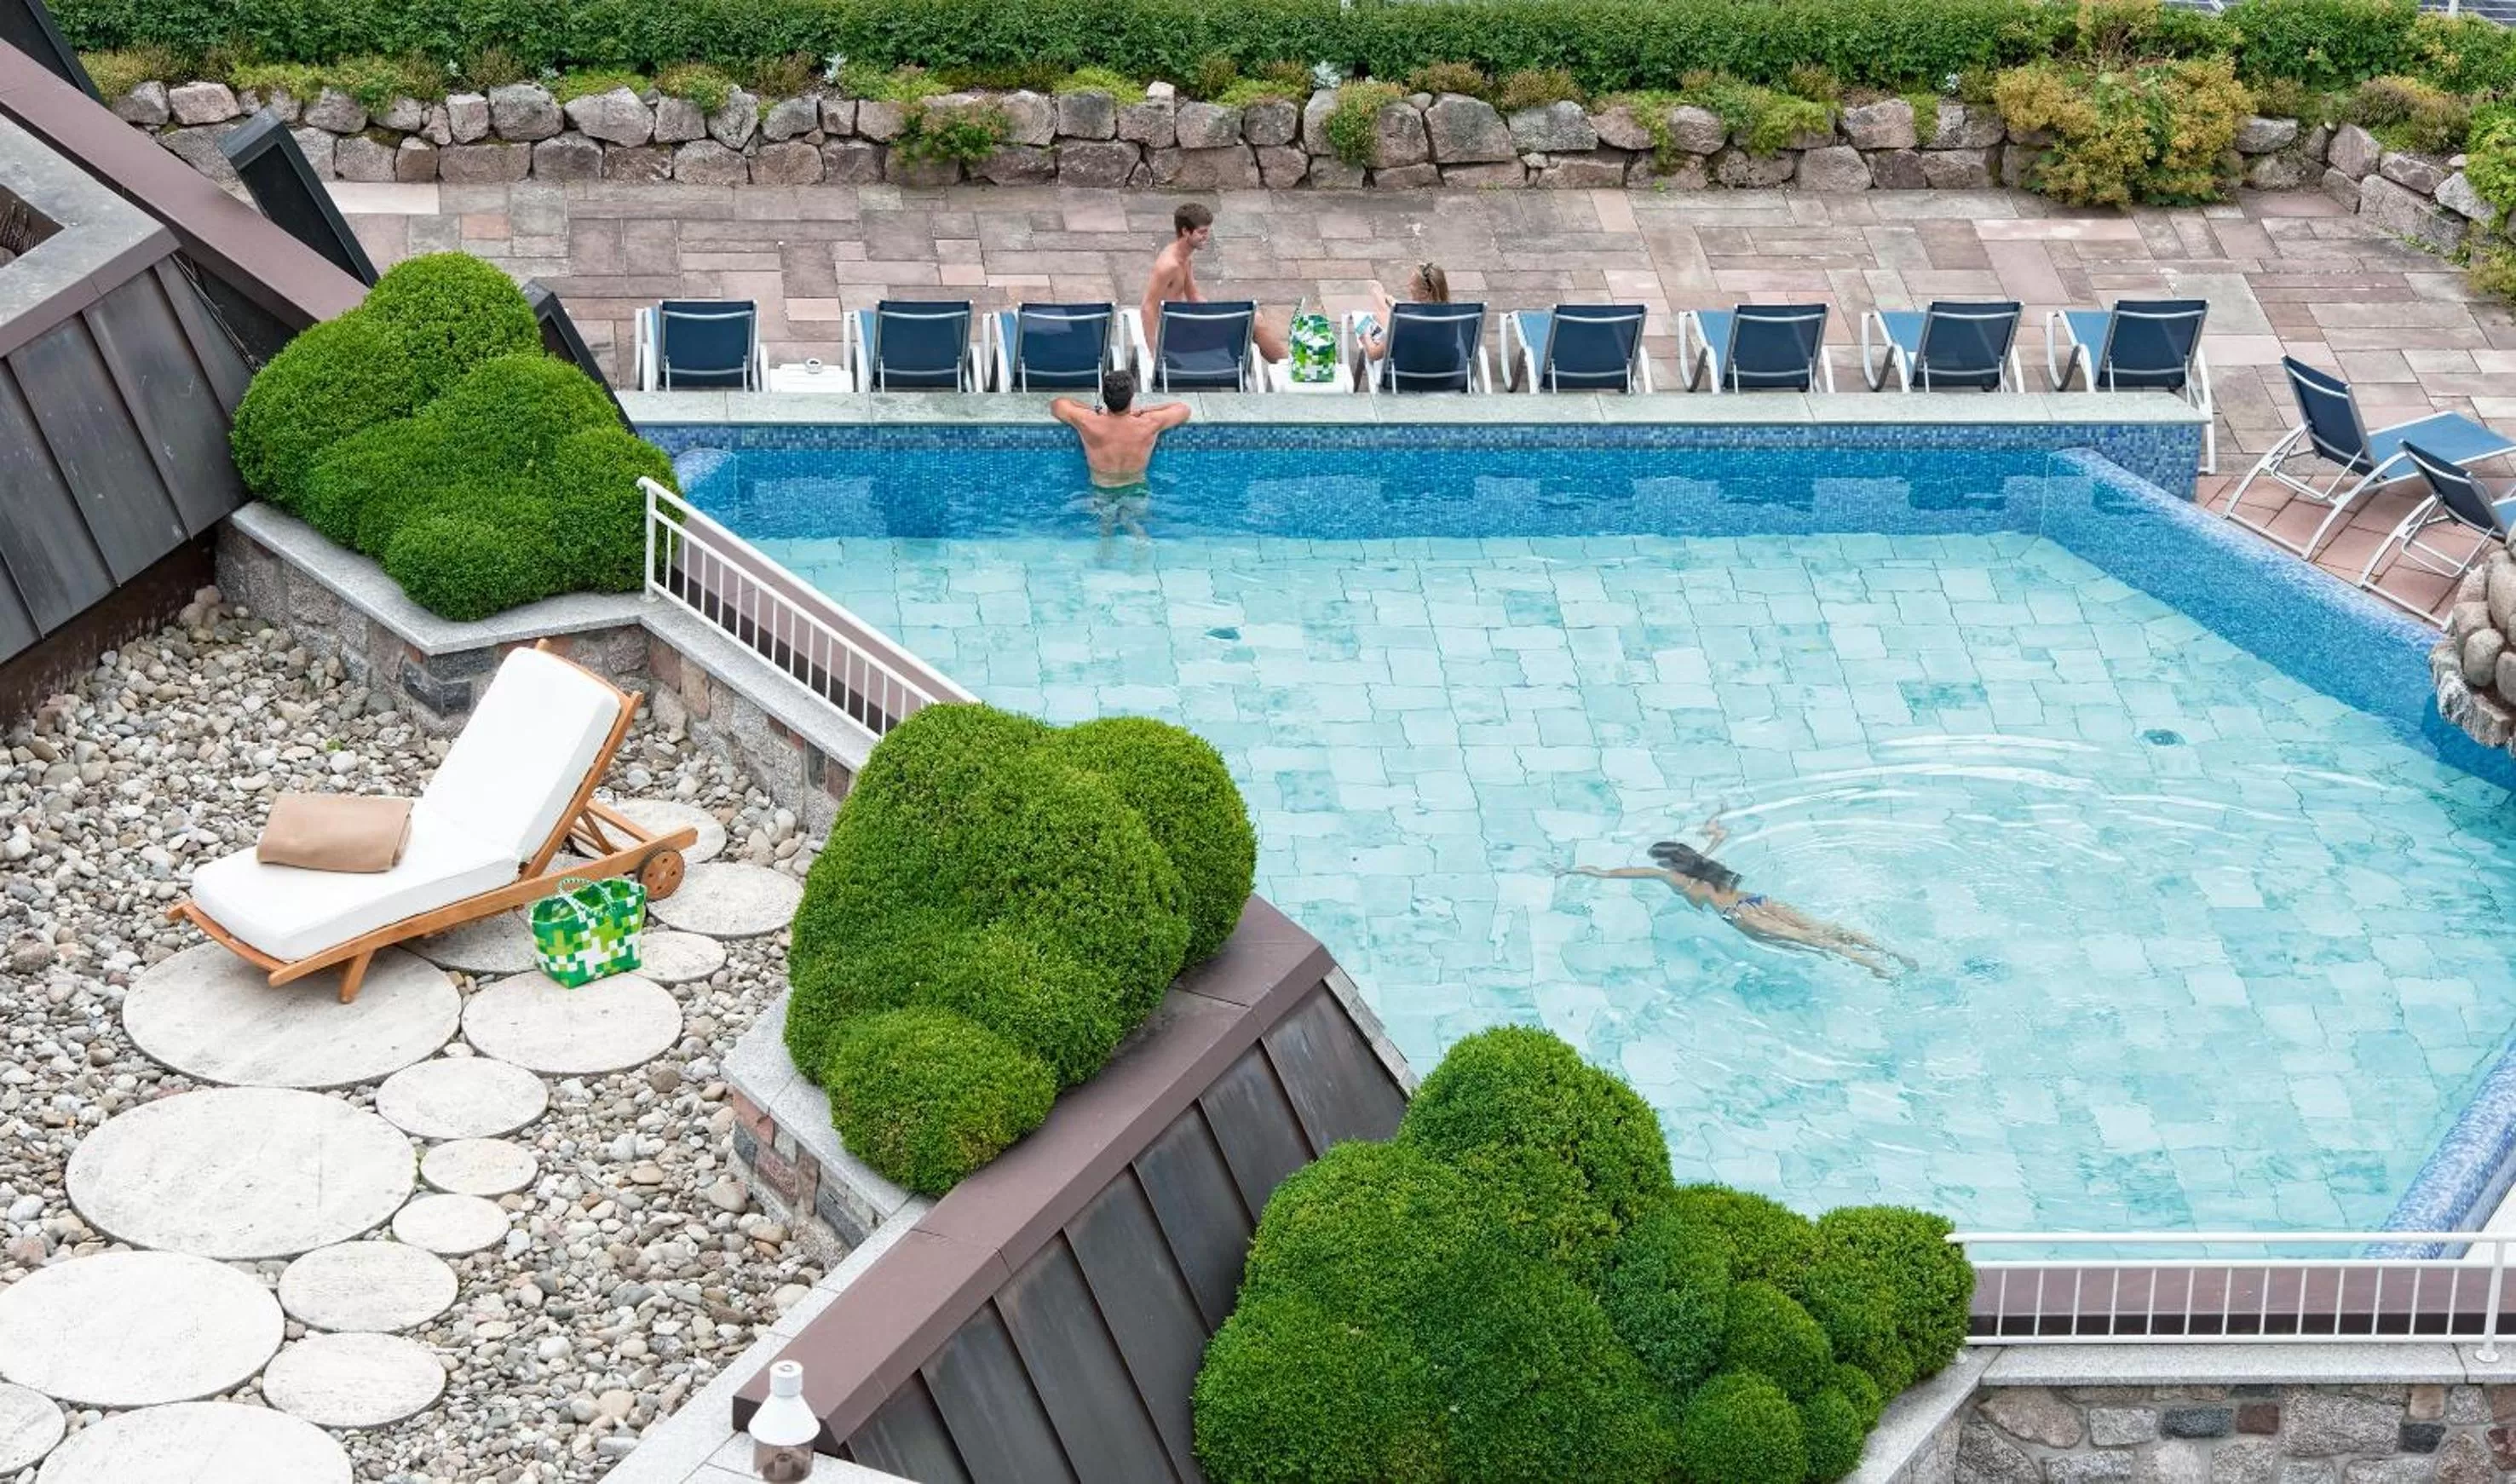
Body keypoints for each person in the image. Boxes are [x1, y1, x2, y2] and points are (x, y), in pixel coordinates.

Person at [1566, 814, 1915, 979]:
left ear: (1668, 862)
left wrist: (1587, 871)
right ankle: (1889, 951)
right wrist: (1712, 826)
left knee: (1815, 941)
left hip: (1742, 916)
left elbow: (1620, 873)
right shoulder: (1704, 861)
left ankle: (1875, 968)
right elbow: (1720, 834)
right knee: (1825, 927)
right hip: (1759, 900)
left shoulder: (1672, 879)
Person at [1143, 202, 1289, 371]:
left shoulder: (1184, 257)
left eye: (1207, 231)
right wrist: (1155, 353)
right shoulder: (1168, 265)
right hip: (1177, 337)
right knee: (1255, 321)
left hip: (1186, 325)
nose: (1207, 236)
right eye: (1202, 232)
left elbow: (1194, 296)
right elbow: (1147, 307)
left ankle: (1286, 366)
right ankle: (1287, 369)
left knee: (1252, 318)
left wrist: (1219, 314)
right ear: (1185, 231)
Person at [1051, 368, 1188, 538]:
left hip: (1101, 488)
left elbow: (1058, 404)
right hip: (1136, 490)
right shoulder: (1149, 423)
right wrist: (1146, 410)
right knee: (1129, 519)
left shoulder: (1088, 421)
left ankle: (1105, 549)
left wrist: (1094, 409)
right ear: (1131, 398)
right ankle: (1136, 532)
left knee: (1105, 525)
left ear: (1105, 398)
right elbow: (1183, 408)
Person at [1353, 262, 1450, 370]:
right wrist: (1395, 302)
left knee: (1371, 323)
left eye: (1412, 284)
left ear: (1425, 293)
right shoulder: (1454, 316)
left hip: (1409, 376)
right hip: (1444, 375)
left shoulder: (1406, 322)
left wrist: (1365, 335)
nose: (1408, 286)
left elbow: (1374, 354)